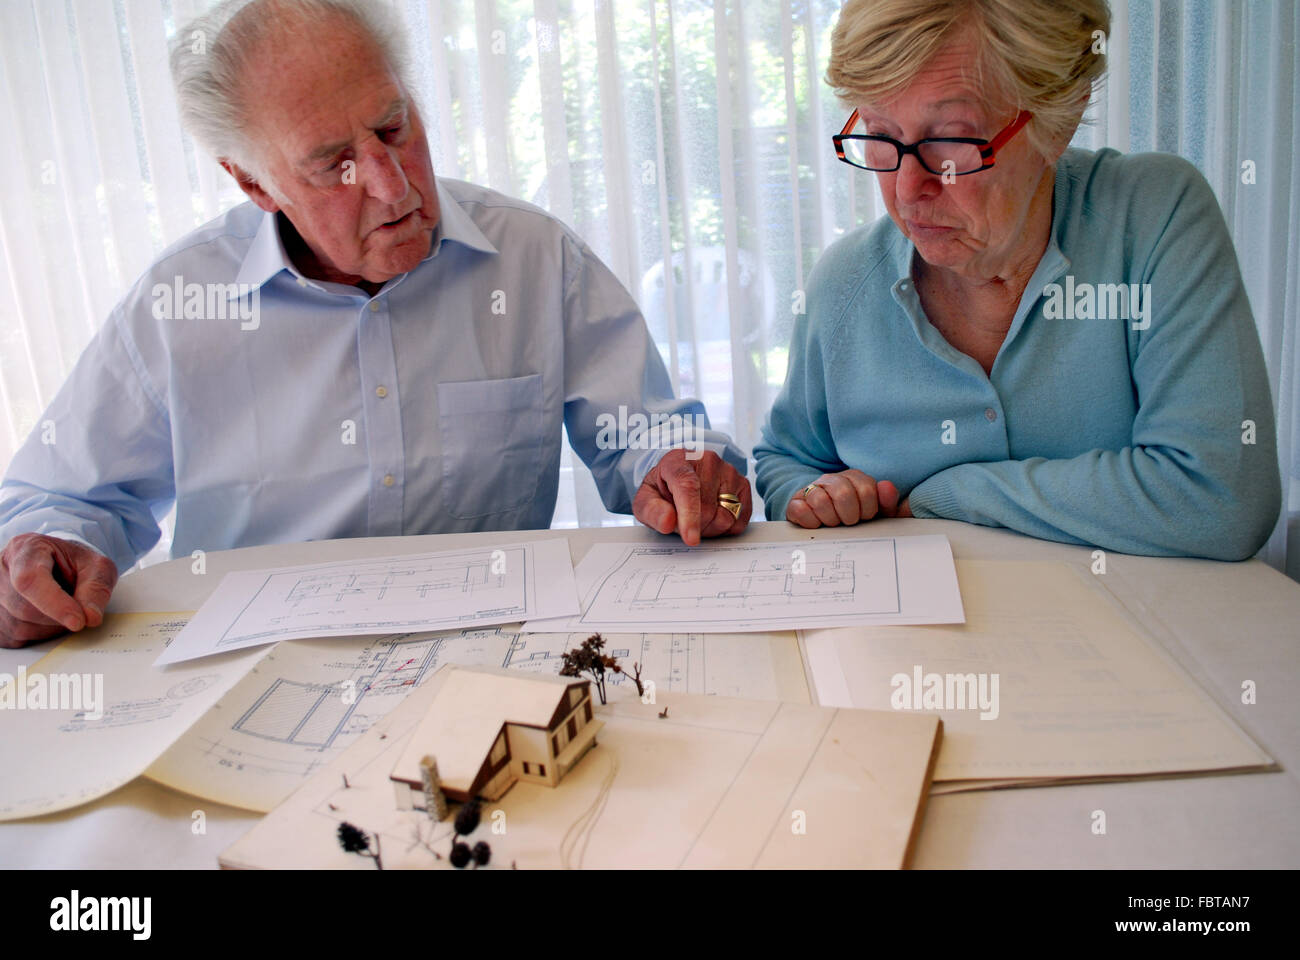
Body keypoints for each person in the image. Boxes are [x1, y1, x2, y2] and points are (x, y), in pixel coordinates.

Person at [0, 0, 751, 649]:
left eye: (393, 129)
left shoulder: (533, 257)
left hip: (484, 665)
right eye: (335, 166)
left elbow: (649, 441)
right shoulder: (181, 300)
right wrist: (43, 560)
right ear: (254, 181)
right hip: (246, 673)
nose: (393, 188)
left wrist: (684, 473)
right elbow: (64, 501)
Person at [754, 0, 1280, 560]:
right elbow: (788, 461)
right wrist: (814, 499)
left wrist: (950, 494)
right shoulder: (843, 283)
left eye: (951, 140)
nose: (907, 191)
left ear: (1062, 117)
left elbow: (1221, 498)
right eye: (881, 135)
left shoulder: (1154, 218)